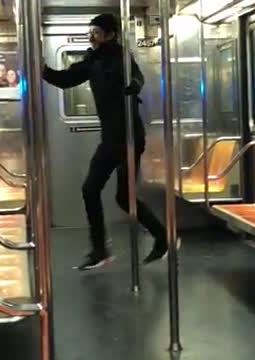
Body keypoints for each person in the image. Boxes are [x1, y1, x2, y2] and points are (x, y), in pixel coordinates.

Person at [42, 13, 169, 270]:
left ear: (110, 34)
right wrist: (42, 69)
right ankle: (100, 249)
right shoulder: (92, 60)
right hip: (110, 138)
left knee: (123, 197)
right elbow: (65, 80)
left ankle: (162, 239)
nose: (92, 36)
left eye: (97, 32)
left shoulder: (122, 57)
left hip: (129, 138)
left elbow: (137, 78)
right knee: (93, 190)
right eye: (91, 31)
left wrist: (132, 85)